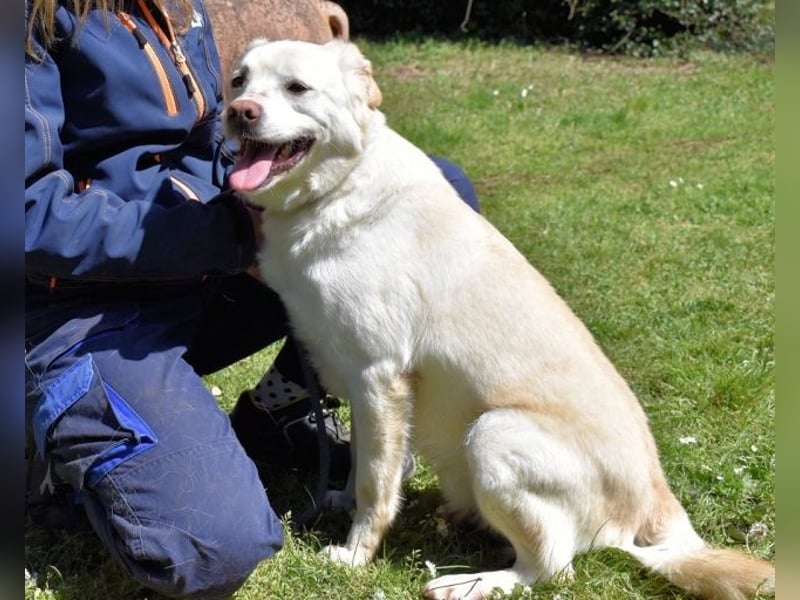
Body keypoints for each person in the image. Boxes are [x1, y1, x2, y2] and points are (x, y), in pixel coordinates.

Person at [24, 0, 480, 597]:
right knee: (217, 548)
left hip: (192, 268)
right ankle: (53, 461)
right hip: (78, 310)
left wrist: (275, 200)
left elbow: (206, 136)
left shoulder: (171, 7)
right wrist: (233, 237)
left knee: (433, 196)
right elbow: (26, 216)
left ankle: (276, 414)